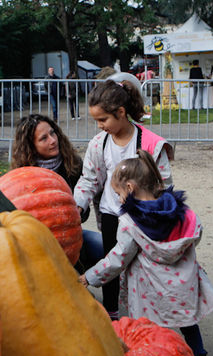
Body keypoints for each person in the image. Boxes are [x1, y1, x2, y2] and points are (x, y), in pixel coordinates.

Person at [78, 150, 213, 356]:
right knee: (188, 323)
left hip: (150, 290)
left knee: (149, 330)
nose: (120, 198)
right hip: (182, 284)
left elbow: (117, 259)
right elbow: (195, 237)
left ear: (131, 188)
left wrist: (90, 276)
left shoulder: (131, 224)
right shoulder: (183, 214)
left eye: (119, 193)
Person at [74, 79, 174, 321]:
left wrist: (157, 215)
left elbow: (165, 186)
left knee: (143, 268)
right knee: (112, 267)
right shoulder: (99, 144)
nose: (99, 126)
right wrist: (77, 205)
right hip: (112, 216)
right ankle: (114, 317)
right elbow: (90, 179)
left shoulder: (151, 143)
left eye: (103, 120)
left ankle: (147, 317)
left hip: (142, 220)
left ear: (121, 112)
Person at [12, 114, 104, 271]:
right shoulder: (22, 176)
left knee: (109, 249)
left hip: (72, 238)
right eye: (43, 138)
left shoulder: (72, 164)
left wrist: (75, 211)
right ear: (31, 146)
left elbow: (84, 212)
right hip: (38, 248)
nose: (53, 140)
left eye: (52, 133)